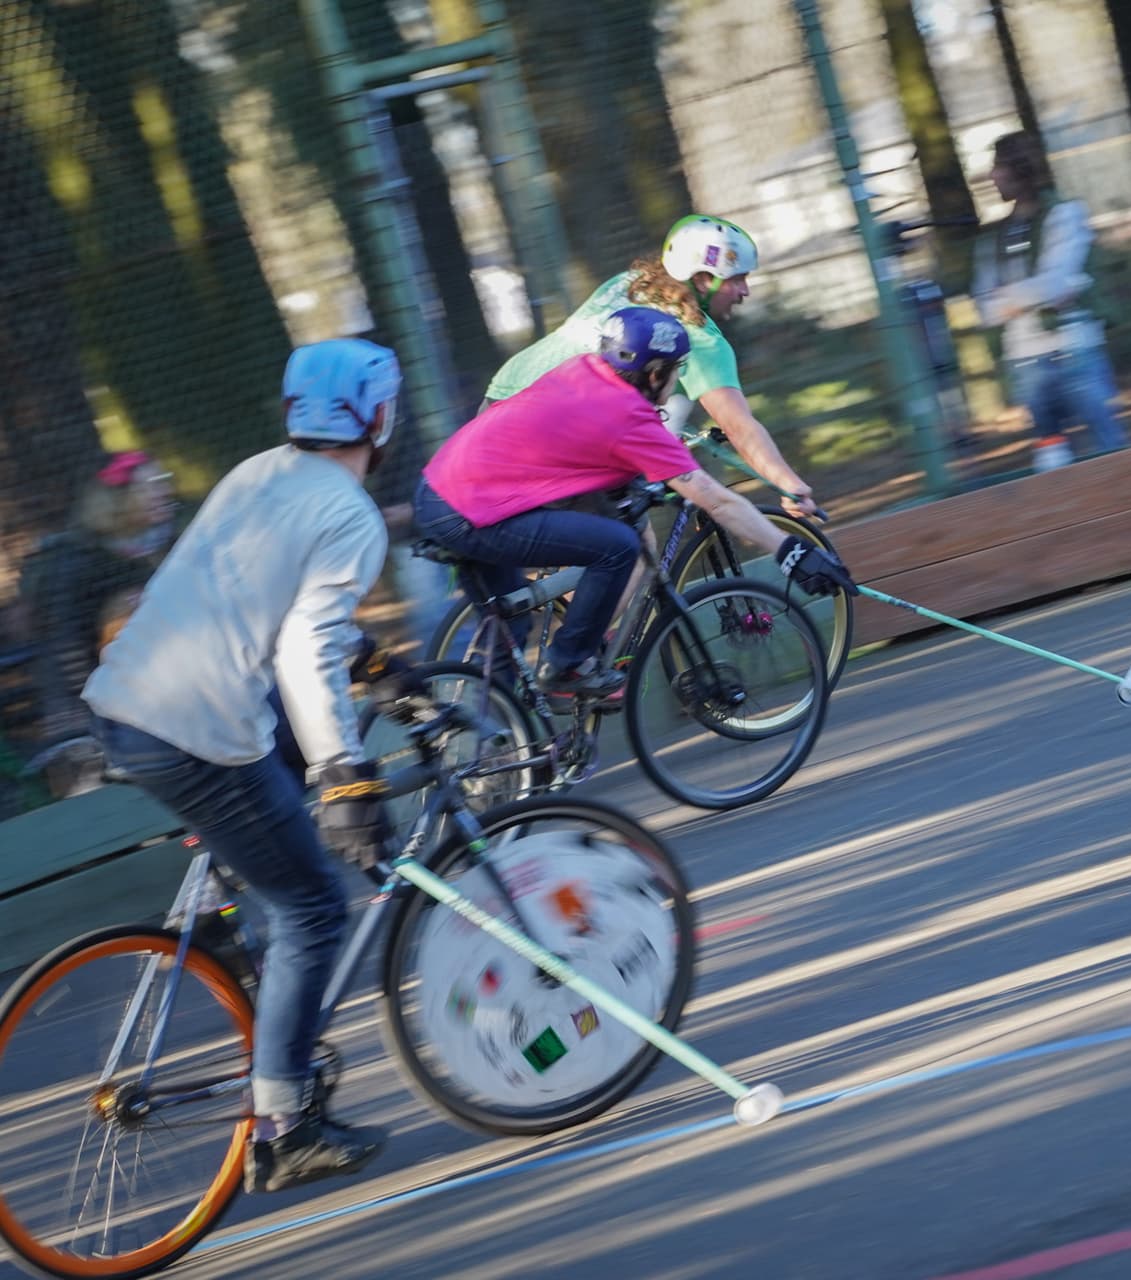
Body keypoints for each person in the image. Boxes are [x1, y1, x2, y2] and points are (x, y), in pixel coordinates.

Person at [84, 339, 411, 1194]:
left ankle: (229, 932)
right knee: (313, 907)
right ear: (378, 416)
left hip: (125, 705)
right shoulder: (350, 511)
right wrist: (344, 772)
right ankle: (286, 1127)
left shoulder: (257, 471)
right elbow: (304, 647)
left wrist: (372, 663)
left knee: (276, 806)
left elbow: (274, 602)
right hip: (198, 727)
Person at [415, 307, 857, 698]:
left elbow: (572, 444)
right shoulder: (630, 418)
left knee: (508, 627)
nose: (677, 380)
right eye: (675, 369)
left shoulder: (584, 369)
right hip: (468, 513)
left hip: (439, 490)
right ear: (654, 373)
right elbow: (717, 502)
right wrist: (791, 552)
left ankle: (493, 750)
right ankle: (568, 662)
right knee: (617, 547)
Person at [482, 216, 819, 520]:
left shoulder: (630, 283)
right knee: (626, 551)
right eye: (737, 279)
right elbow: (738, 425)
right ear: (703, 279)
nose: (745, 290)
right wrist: (788, 484)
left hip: (500, 399)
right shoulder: (696, 338)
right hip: (546, 432)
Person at [971, 131, 1131, 472]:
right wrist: (1040, 293)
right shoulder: (993, 237)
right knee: (1051, 459)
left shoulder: (1065, 215)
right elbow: (985, 305)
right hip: (1025, 360)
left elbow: (1055, 283)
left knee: (1109, 446)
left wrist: (1015, 298)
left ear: (1021, 169)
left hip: (1074, 350)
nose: (993, 176)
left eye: (999, 167)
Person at [19, 452, 177, 766]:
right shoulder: (76, 563)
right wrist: (96, 709)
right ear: (117, 500)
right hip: (104, 706)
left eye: (164, 483)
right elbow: (65, 647)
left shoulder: (167, 542)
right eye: (150, 486)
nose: (164, 492)